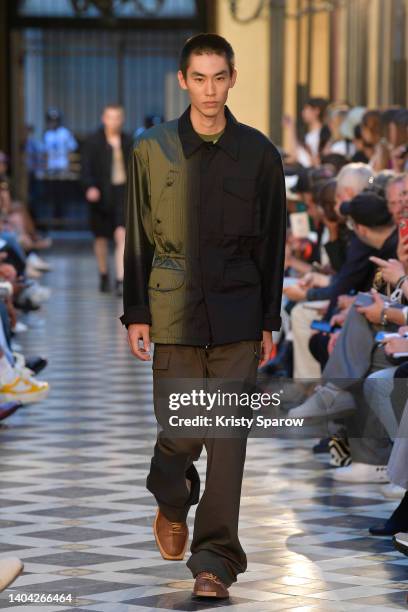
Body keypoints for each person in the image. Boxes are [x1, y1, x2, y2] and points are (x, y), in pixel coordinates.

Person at [120, 33, 286, 599]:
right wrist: (135, 310)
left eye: (220, 77)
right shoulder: (151, 148)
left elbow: (274, 244)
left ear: (233, 78)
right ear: (183, 81)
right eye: (199, 78)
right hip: (172, 310)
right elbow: (138, 238)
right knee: (181, 433)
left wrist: (270, 319)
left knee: (228, 437)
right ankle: (171, 496)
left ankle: (215, 560)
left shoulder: (261, 154)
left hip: (240, 312)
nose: (210, 89)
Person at [81, 104, 133, 295]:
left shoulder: (129, 141)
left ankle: (120, 279)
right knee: (101, 237)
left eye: (117, 117)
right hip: (101, 194)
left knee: (122, 235)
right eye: (110, 117)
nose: (114, 121)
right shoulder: (93, 142)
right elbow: (85, 169)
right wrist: (90, 187)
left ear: (122, 119)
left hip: (123, 192)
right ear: (104, 118)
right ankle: (104, 274)